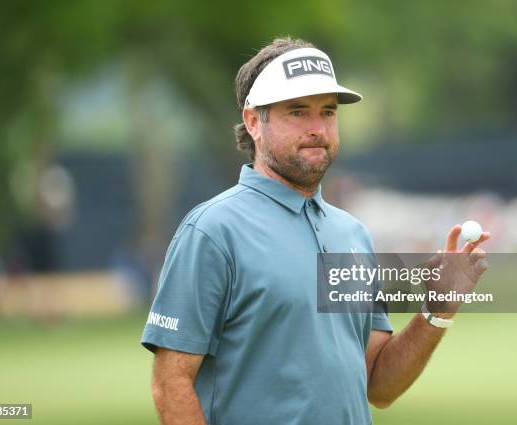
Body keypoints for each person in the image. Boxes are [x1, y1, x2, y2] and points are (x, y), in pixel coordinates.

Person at [141, 36, 490, 425]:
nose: (317, 128)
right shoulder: (212, 232)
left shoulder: (352, 234)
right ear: (254, 121)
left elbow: (378, 385)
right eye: (297, 112)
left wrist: (436, 311)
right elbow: (171, 383)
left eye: (327, 112)